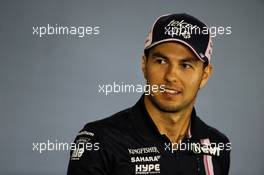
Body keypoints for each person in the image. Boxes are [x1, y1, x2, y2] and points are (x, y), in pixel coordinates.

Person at [67, 13, 231, 175]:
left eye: (186, 65)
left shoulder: (217, 144)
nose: (171, 76)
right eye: (161, 61)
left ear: (205, 75)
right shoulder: (98, 141)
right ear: (144, 65)